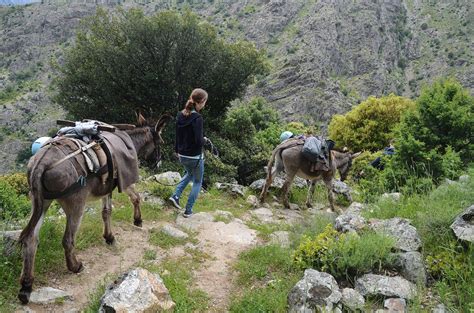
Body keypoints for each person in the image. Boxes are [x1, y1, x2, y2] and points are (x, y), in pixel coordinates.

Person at [169, 88, 208, 218]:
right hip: (195, 156)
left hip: (182, 155)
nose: (204, 104)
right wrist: (205, 140)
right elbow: (198, 141)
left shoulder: (180, 114)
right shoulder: (198, 118)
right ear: (201, 101)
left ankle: (175, 195)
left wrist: (177, 150)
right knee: (197, 181)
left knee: (189, 174)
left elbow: (177, 135)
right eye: (204, 102)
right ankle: (188, 210)